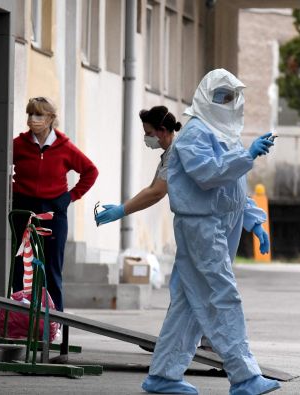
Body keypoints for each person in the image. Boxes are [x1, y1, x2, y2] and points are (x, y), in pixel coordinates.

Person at [141, 69, 280, 395]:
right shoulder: (194, 135)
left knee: (190, 302)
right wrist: (248, 155)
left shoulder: (224, 133)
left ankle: (163, 375)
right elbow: (208, 174)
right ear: (205, 96)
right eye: (221, 96)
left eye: (230, 97)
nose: (227, 103)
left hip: (218, 224)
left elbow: (233, 187)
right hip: (201, 225)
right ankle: (244, 376)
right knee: (222, 295)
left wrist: (254, 220)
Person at [11, 97, 99, 312]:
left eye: (38, 115)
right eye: (30, 114)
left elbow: (91, 171)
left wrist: (70, 197)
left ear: (50, 118)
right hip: (23, 208)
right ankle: (19, 319)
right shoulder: (18, 144)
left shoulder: (64, 147)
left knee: (51, 268)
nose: (33, 119)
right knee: (20, 266)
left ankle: (54, 322)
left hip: (53, 211)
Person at [94, 106, 182, 226]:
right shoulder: (168, 153)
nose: (146, 138)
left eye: (148, 133)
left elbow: (156, 193)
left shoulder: (175, 153)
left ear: (162, 130)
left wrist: (121, 211)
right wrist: (123, 207)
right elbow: (151, 188)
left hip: (198, 223)